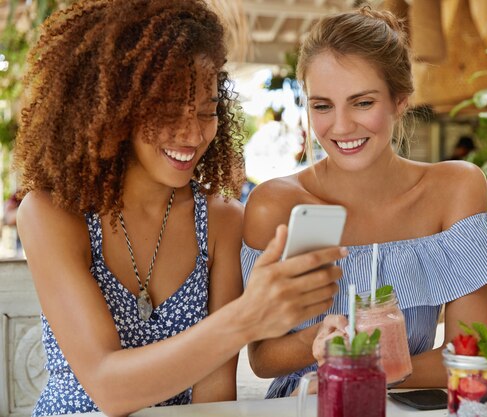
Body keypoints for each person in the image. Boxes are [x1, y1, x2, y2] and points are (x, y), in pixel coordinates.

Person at [13, 1, 345, 416]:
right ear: (116, 107)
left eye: (207, 111)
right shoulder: (51, 214)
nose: (192, 134)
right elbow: (107, 386)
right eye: (168, 111)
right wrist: (247, 316)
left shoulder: (222, 221)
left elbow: (213, 396)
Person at [241, 5, 487, 398]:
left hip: (411, 406)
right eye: (322, 106)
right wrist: (317, 340)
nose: (342, 126)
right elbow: (262, 359)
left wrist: (360, 373)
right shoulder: (276, 205)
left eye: (362, 102)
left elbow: (474, 355)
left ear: (400, 100)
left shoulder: (455, 190)